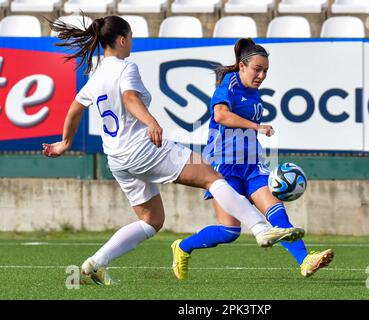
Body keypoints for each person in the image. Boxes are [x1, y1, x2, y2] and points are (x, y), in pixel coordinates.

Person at [42, 16, 305, 285]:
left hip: (118, 159)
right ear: (122, 39)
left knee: (151, 220)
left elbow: (75, 108)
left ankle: (96, 263)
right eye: (130, 36)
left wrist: (65, 142)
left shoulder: (96, 76)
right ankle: (261, 229)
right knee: (213, 177)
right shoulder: (125, 67)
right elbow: (129, 98)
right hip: (142, 148)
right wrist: (150, 121)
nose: (131, 42)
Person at [171, 38, 334, 280]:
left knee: (276, 212)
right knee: (229, 231)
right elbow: (221, 116)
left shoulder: (253, 92)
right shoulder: (228, 85)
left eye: (265, 71)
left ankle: (305, 261)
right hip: (224, 166)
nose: (261, 75)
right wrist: (256, 126)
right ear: (242, 66)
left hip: (252, 164)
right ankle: (183, 247)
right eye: (257, 69)